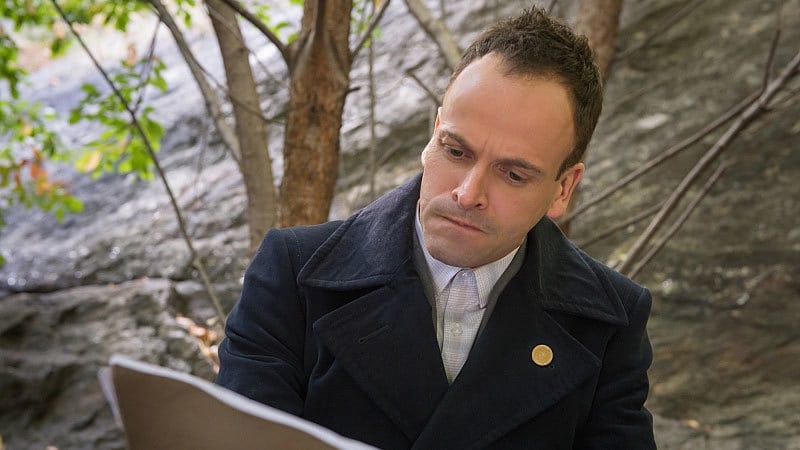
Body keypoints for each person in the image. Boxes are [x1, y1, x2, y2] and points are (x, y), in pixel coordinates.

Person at [216, 6, 656, 449]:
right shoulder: (293, 276)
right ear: (435, 134)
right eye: (456, 152)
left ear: (563, 189)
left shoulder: (609, 324)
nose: (468, 194)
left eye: (513, 174)